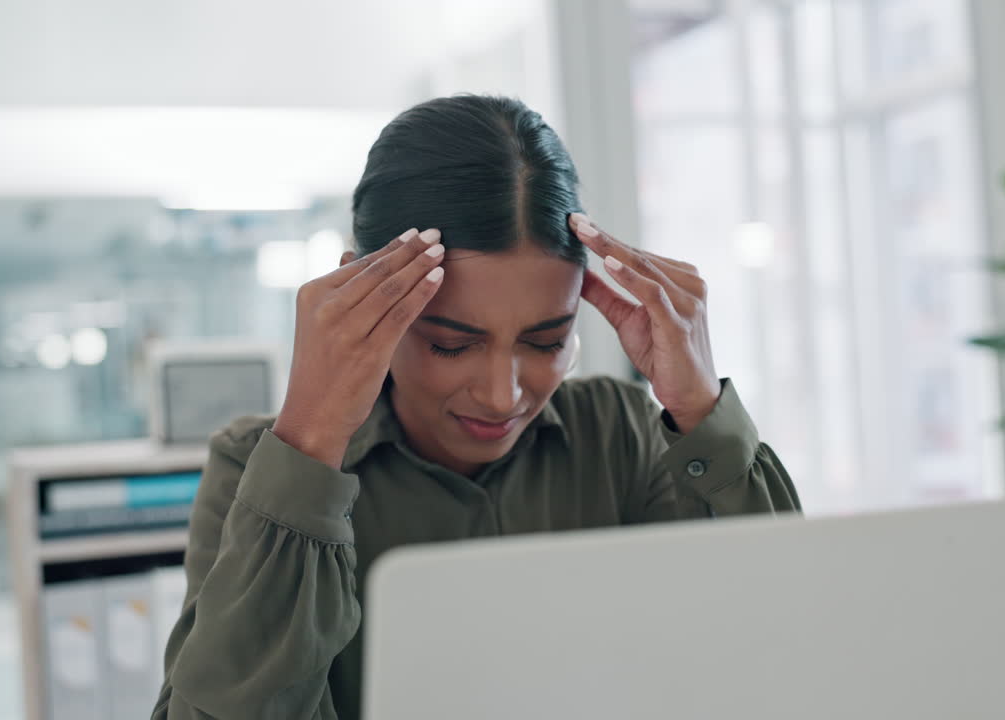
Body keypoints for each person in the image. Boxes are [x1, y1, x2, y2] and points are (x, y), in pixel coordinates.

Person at [152, 95, 801, 720]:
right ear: (362, 302)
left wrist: (699, 410)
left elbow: (782, 648)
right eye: (451, 344)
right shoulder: (253, 467)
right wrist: (310, 451)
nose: (502, 394)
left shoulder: (623, 435)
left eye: (546, 342)